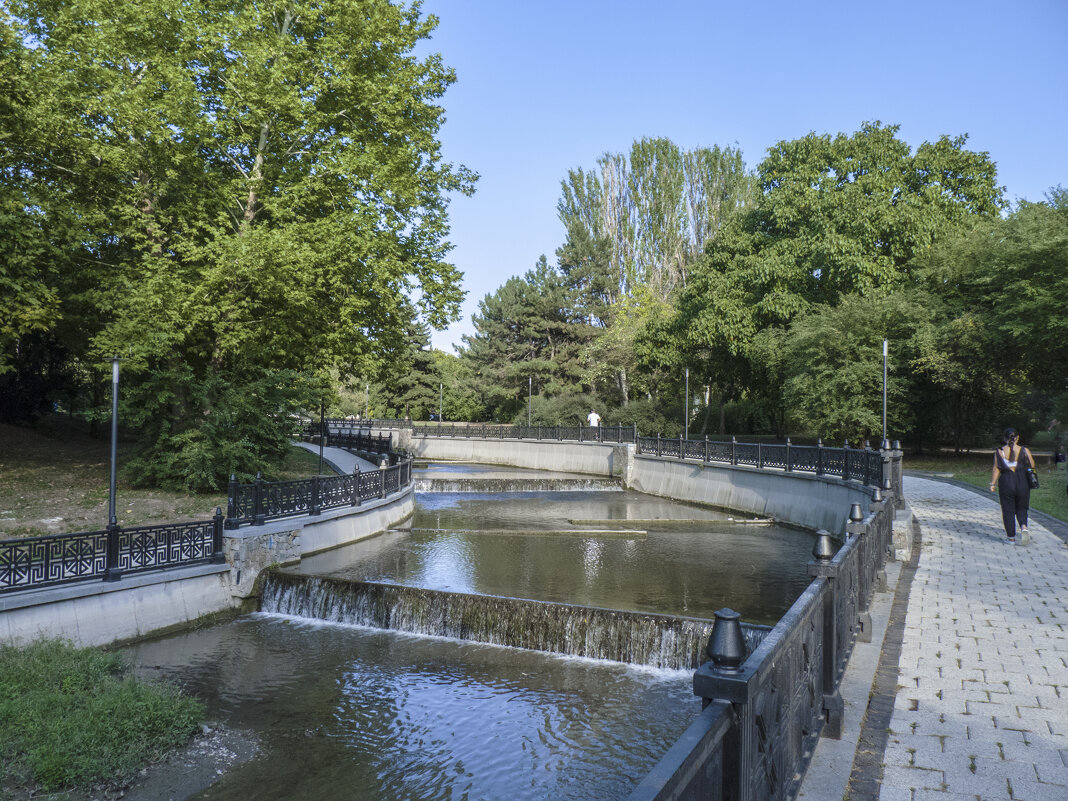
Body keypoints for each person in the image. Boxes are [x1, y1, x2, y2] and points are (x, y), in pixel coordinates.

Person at [989, 427, 1036, 544]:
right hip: (1022, 481)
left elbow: (996, 469)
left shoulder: (1000, 451)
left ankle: (1011, 538)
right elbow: (1032, 465)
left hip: (1006, 481)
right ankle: (1024, 527)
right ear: (1017, 438)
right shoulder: (1024, 450)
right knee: (1022, 507)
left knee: (1008, 510)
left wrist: (992, 484)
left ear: (1004, 438)